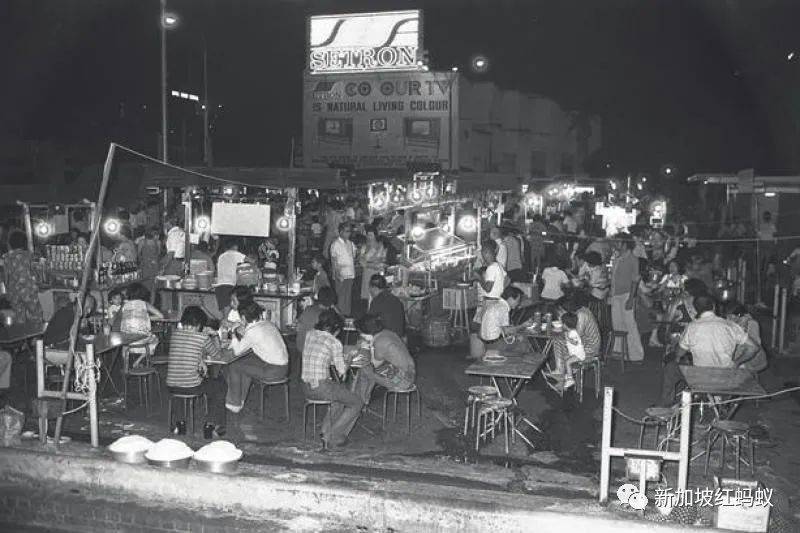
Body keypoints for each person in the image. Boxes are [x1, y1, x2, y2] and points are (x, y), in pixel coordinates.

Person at [659, 295, 759, 406]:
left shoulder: (692, 327)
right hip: (725, 378)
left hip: (700, 379)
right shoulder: (730, 325)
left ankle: (665, 406)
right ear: (714, 307)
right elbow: (753, 347)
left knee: (670, 368)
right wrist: (737, 362)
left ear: (696, 309)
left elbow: (679, 353)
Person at [301, 310, 362, 448]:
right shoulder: (334, 342)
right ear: (335, 329)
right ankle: (333, 436)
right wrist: (351, 356)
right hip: (322, 388)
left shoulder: (310, 334)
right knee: (357, 402)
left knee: (340, 397)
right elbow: (342, 371)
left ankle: (324, 432)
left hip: (305, 386)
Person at [225, 301, 290, 429]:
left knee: (234, 366)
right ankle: (240, 399)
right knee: (244, 363)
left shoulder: (252, 331)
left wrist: (234, 332)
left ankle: (234, 405)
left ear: (243, 318)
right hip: (283, 366)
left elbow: (236, 351)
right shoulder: (267, 324)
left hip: (274, 370)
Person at [166, 307, 228, 437]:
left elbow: (184, 352)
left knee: (179, 382)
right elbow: (218, 356)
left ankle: (180, 423)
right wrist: (215, 335)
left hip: (171, 385)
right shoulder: (202, 337)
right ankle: (211, 425)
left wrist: (200, 359)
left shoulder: (175, 334)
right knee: (219, 386)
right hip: (192, 386)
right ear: (200, 324)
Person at [353, 314, 416, 404]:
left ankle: (359, 403)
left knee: (364, 370)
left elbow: (374, 364)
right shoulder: (387, 333)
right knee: (368, 370)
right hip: (409, 374)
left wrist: (363, 348)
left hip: (402, 381)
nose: (360, 335)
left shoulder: (379, 342)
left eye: (360, 332)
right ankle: (363, 399)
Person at [548, 294, 601, 389]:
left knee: (558, 341)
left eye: (560, 311)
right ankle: (562, 372)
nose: (559, 313)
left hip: (589, 349)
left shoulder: (581, 315)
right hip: (583, 344)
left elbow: (576, 336)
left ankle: (562, 372)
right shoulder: (580, 311)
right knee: (558, 341)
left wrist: (562, 329)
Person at [610, 235, 644, 362]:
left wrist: (631, 298)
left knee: (630, 325)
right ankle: (619, 352)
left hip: (626, 295)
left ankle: (636, 355)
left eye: (618, 242)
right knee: (617, 325)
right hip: (615, 295)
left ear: (625, 244)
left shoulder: (633, 259)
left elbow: (635, 280)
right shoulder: (617, 258)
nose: (616, 244)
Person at [2, 230, 44, 327]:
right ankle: (36, 338)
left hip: (14, 292)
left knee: (19, 319)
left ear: (11, 243)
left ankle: (22, 340)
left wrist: (8, 291)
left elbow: (5, 277)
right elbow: (36, 273)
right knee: (36, 316)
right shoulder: (28, 255)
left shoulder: (6, 258)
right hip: (28, 291)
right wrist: (37, 283)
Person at [479, 286, 530, 356]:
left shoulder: (496, 304)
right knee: (523, 341)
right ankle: (514, 363)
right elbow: (507, 331)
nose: (518, 304)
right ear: (511, 299)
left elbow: (503, 329)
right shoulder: (504, 307)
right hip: (495, 344)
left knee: (517, 338)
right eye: (518, 301)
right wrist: (522, 326)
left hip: (486, 343)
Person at [119, 283, 162, 359]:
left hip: (127, 340)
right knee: (156, 339)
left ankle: (126, 365)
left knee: (125, 344)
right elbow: (160, 316)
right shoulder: (144, 303)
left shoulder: (124, 305)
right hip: (141, 339)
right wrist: (146, 317)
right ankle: (138, 360)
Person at [725, 302, 768, 373]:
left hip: (751, 359)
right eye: (726, 316)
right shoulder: (731, 324)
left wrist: (742, 328)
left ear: (739, 315)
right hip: (740, 357)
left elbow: (755, 346)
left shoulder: (752, 323)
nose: (727, 319)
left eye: (730, 317)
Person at [578, 251, 611, 340]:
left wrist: (585, 280)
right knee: (600, 319)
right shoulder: (600, 268)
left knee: (595, 319)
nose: (587, 264)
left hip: (597, 296)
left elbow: (591, 283)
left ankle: (594, 336)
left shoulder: (597, 271)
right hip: (601, 296)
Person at [296, 286, 337, 353]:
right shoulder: (325, 315)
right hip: (313, 351)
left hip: (300, 347)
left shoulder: (308, 309)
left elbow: (298, 327)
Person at [330, 222, 356, 316]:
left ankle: (347, 315)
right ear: (341, 232)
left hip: (350, 273)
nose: (348, 233)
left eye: (349, 232)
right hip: (340, 274)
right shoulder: (335, 244)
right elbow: (334, 261)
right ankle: (340, 316)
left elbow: (353, 257)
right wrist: (337, 274)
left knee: (348, 297)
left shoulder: (350, 243)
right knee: (340, 297)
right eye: (346, 231)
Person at [215, 238, 247, 310]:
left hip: (220, 288)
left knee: (225, 316)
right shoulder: (238, 255)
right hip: (230, 288)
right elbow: (251, 261)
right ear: (235, 246)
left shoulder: (221, 256)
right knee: (230, 315)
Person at [359, 225, 387, 302]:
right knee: (368, 295)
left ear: (375, 235)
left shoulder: (380, 246)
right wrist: (371, 263)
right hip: (367, 273)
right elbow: (361, 261)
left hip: (376, 273)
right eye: (368, 235)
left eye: (371, 235)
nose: (369, 237)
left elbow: (382, 261)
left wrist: (368, 264)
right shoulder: (365, 246)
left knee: (376, 294)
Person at [137, 227, 161, 297]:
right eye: (156, 234)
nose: (158, 236)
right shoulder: (142, 242)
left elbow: (159, 254)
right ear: (151, 234)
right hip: (144, 266)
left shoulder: (158, 242)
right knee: (144, 285)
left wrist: (155, 261)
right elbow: (138, 254)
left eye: (158, 234)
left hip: (154, 267)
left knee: (153, 288)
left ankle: (152, 304)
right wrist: (143, 262)